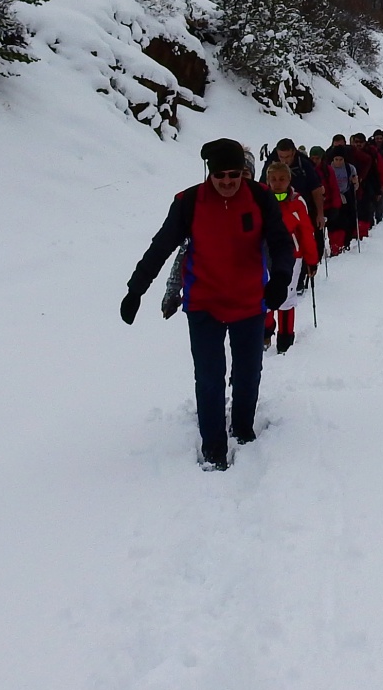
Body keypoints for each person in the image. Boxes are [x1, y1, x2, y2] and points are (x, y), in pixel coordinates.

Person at [121, 139, 295, 471]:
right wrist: (136, 290)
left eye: (234, 174)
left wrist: (280, 278)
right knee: (210, 376)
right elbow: (161, 247)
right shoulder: (189, 203)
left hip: (249, 302)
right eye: (220, 175)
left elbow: (281, 242)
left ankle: (242, 429)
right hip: (205, 303)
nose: (228, 182)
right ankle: (213, 445)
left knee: (247, 372)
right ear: (209, 174)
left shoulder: (259, 198)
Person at [263, 161, 319, 354]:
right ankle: (265, 332)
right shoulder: (261, 199)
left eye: (281, 179)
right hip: (265, 255)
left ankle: (285, 339)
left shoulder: (297, 201)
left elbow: (306, 232)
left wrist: (312, 260)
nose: (277, 183)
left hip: (292, 257)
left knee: (286, 296)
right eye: (273, 179)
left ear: (289, 180)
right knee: (264, 294)